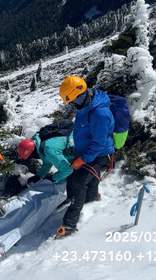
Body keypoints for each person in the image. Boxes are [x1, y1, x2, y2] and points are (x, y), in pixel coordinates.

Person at [56, 75, 115, 237]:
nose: (72, 106)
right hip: (87, 151)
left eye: (74, 102)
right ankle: (92, 197)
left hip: (99, 153)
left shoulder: (100, 114)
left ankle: (69, 225)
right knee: (89, 177)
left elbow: (99, 144)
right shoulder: (85, 105)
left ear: (81, 95)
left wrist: (81, 160)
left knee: (78, 182)